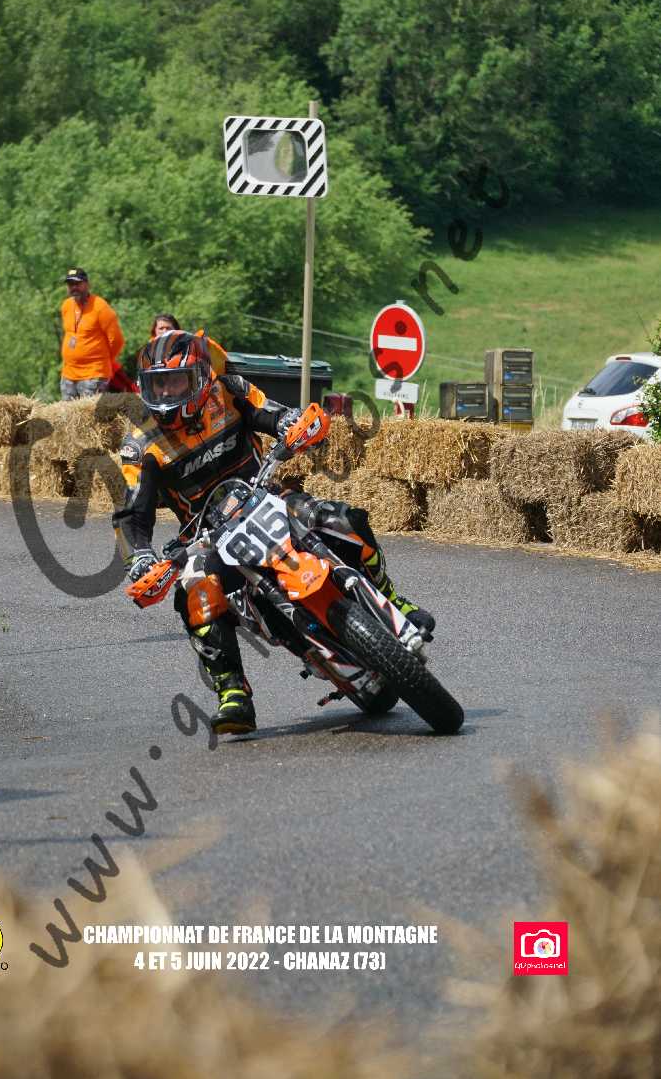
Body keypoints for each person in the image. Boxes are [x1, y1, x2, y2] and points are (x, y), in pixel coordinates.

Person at [113, 331, 434, 736]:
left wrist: (293, 424)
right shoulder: (140, 446)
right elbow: (131, 515)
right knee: (194, 590)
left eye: (174, 381)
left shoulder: (229, 391)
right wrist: (140, 558)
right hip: (211, 535)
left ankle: (391, 598)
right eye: (157, 384)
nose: (165, 392)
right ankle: (232, 692)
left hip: (268, 497)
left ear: (200, 378)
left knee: (346, 520)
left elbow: (273, 413)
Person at [60, 269, 125, 400]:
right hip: (68, 374)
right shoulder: (66, 306)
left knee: (90, 413)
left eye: (77, 283)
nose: (74, 287)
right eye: (70, 284)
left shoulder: (100, 307)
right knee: (66, 413)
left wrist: (103, 360)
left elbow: (117, 340)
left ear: (87, 284)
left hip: (94, 374)